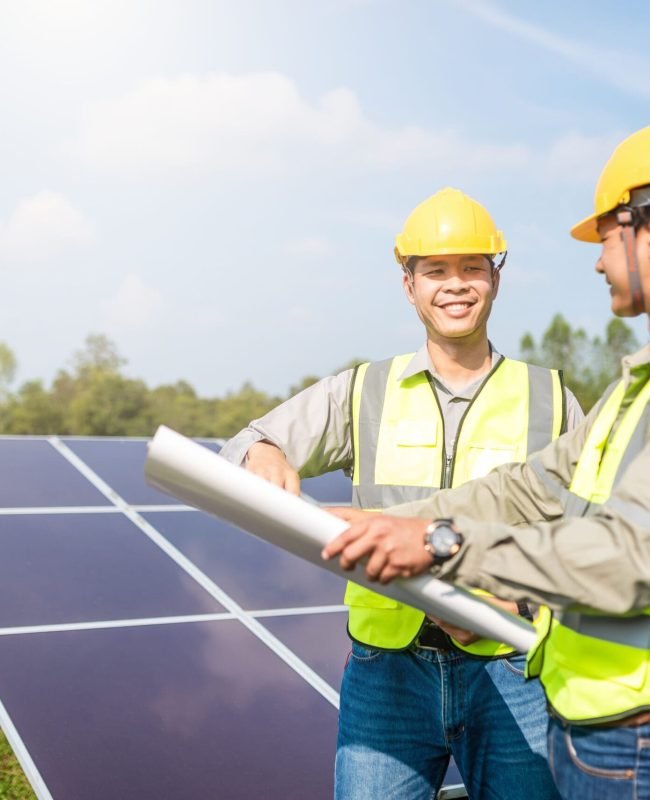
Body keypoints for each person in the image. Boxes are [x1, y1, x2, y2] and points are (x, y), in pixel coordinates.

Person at [221, 187, 582, 799]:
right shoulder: (363, 390)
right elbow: (250, 441)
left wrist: (514, 602)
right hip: (386, 671)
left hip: (512, 671)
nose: (456, 285)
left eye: (472, 268)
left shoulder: (550, 399)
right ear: (408, 284)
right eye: (435, 270)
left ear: (497, 279)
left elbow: (583, 538)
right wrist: (262, 452)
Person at [322, 126, 650, 800]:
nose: (596, 262)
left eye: (609, 236)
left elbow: (631, 554)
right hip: (595, 723)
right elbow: (529, 488)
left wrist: (442, 545)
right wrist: (390, 527)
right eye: (435, 270)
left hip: (630, 732)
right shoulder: (632, 392)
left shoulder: (562, 392)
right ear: (407, 282)